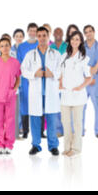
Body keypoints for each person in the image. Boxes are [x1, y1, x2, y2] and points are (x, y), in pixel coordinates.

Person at [21, 27, 61, 156]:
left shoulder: (55, 54)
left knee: (51, 119)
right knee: (35, 119)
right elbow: (23, 70)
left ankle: (53, 146)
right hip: (36, 92)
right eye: (40, 35)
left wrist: (52, 74)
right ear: (37, 37)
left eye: (44, 35)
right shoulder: (30, 54)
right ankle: (36, 145)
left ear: (48, 36)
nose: (42, 38)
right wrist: (35, 73)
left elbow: (61, 71)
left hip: (50, 92)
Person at [59, 31, 92, 157]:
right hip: (65, 95)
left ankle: (76, 149)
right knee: (66, 122)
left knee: (77, 123)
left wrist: (80, 87)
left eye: (77, 39)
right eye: (73, 39)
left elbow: (89, 77)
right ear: (69, 41)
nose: (74, 41)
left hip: (78, 96)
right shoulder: (64, 56)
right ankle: (67, 147)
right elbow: (61, 73)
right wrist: (60, 83)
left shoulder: (84, 58)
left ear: (80, 42)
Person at [0, 37, 21, 155]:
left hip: (10, 96)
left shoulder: (15, 62)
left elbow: (18, 78)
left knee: (10, 121)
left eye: (7, 45)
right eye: (2, 46)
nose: (4, 48)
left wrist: (14, 89)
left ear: (10, 46)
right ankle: (0, 144)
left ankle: (9, 145)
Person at [17, 23, 39, 139]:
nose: (32, 33)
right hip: (25, 80)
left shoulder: (40, 44)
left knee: (38, 104)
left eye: (35, 31)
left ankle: (39, 132)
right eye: (31, 30)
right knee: (25, 105)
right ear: (27, 31)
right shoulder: (21, 47)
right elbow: (20, 64)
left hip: (38, 79)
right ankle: (25, 130)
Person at [84, 25, 98, 137]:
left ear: (94, 32)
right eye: (86, 32)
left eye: (90, 31)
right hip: (83, 82)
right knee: (80, 106)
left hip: (96, 83)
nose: (89, 33)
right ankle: (79, 131)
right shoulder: (81, 47)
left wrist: (96, 79)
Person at [50, 27, 68, 137]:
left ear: (63, 34)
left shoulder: (67, 46)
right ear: (53, 34)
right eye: (56, 32)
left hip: (66, 79)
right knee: (56, 105)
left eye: (60, 32)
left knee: (66, 105)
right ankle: (58, 130)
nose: (58, 34)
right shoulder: (50, 47)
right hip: (54, 79)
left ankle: (66, 129)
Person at [12, 29, 25, 139]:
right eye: (17, 36)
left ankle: (21, 127)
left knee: (22, 104)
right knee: (15, 105)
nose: (19, 38)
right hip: (13, 81)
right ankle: (15, 127)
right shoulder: (10, 50)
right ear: (14, 37)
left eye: (21, 36)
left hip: (24, 79)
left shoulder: (24, 49)